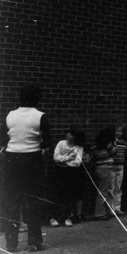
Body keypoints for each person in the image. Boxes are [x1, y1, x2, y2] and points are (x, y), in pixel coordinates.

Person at [0, 84, 51, 252]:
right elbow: (47, 143)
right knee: (33, 201)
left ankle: (11, 245)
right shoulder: (41, 116)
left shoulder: (10, 115)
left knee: (11, 202)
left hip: (11, 160)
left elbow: (2, 140)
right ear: (37, 98)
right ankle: (35, 241)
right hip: (32, 160)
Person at [51, 127, 87, 226]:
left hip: (71, 173)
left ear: (76, 137)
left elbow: (77, 163)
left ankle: (67, 217)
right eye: (68, 133)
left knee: (68, 194)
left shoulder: (78, 147)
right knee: (58, 193)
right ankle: (55, 217)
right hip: (59, 172)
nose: (68, 135)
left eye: (71, 135)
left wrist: (64, 163)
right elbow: (55, 157)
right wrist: (67, 158)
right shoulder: (61, 143)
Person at [91, 126, 116, 221]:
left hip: (98, 168)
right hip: (106, 167)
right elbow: (115, 152)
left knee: (102, 190)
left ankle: (102, 211)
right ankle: (99, 213)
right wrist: (114, 143)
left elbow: (93, 157)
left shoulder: (96, 145)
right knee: (103, 191)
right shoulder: (108, 144)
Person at [111, 124, 127, 216]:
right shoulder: (112, 142)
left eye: (120, 131)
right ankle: (112, 208)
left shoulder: (124, 143)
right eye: (116, 131)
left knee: (118, 187)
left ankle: (117, 207)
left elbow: (126, 154)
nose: (118, 133)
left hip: (120, 166)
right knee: (112, 187)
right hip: (112, 166)